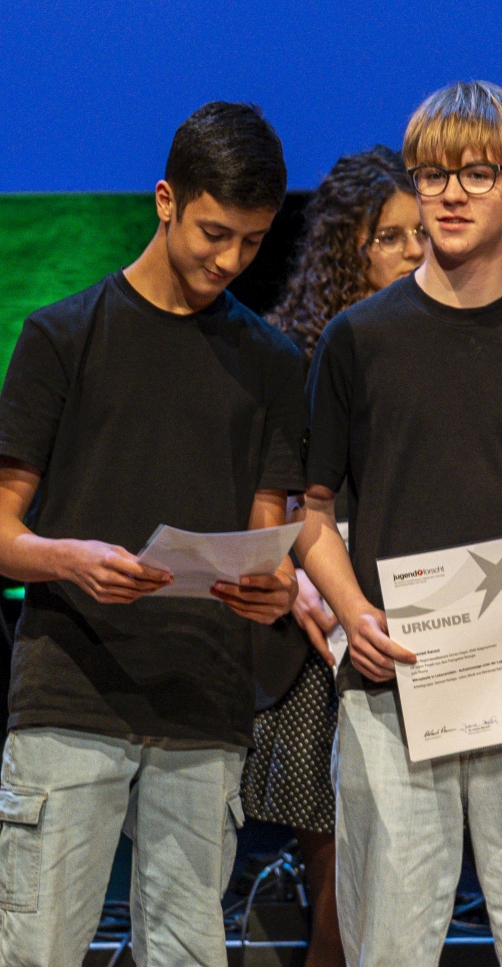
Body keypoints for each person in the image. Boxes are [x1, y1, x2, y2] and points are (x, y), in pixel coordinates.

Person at [295, 80, 502, 966]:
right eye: (432, 175)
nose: (449, 194)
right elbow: (312, 508)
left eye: (475, 174)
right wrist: (353, 615)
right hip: (392, 689)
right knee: (389, 948)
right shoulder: (358, 339)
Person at [0, 102, 306, 967]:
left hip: (203, 700)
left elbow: (265, 536)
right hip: (73, 692)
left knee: (187, 951)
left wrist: (274, 588)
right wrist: (70, 559)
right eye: (214, 233)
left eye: (252, 242)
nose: (229, 260)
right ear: (166, 200)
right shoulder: (63, 335)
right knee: (40, 950)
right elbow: (3, 529)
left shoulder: (272, 362)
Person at [240, 144, 425, 967]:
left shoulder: (437, 349)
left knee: (395, 895)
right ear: (348, 251)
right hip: (323, 649)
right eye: (390, 237)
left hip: (411, 625)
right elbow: (267, 494)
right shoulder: (296, 355)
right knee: (341, 908)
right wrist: (300, 577)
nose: (413, 252)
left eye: (421, 235)